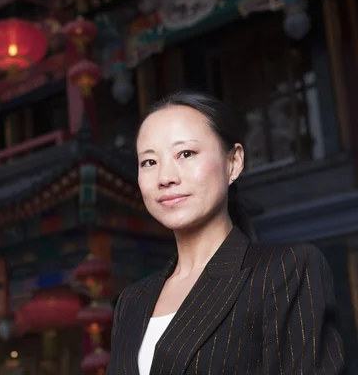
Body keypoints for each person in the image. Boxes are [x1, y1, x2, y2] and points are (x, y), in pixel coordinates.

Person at [107, 91, 344, 374]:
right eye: (149, 162)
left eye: (186, 154)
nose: (166, 177)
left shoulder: (284, 270)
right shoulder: (132, 300)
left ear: (233, 163)